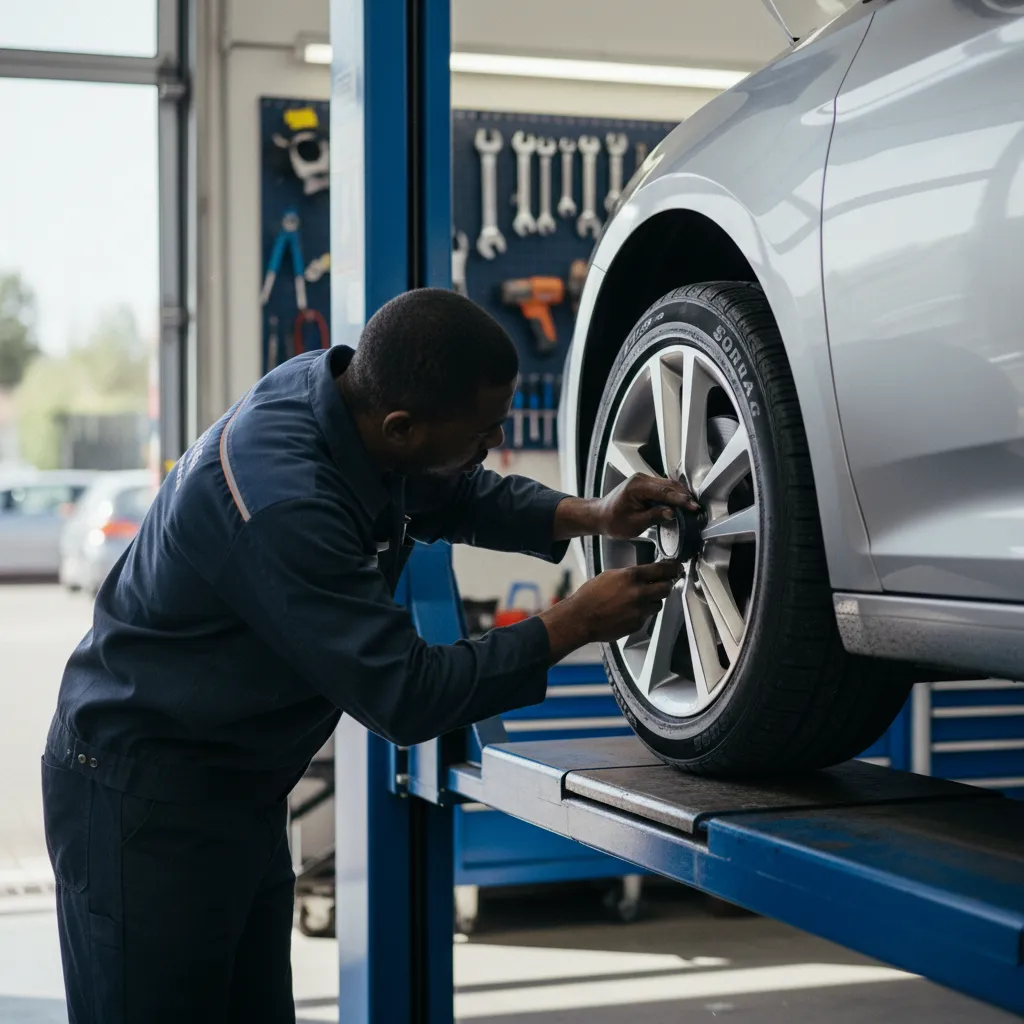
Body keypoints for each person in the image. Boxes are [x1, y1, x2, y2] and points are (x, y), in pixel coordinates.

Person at [41, 288, 696, 1023]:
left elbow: (452, 489)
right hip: (143, 800)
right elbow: (406, 696)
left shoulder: (339, 396)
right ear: (402, 426)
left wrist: (591, 513)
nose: (491, 446)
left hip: (235, 789)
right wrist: (571, 623)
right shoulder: (287, 507)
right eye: (483, 433)